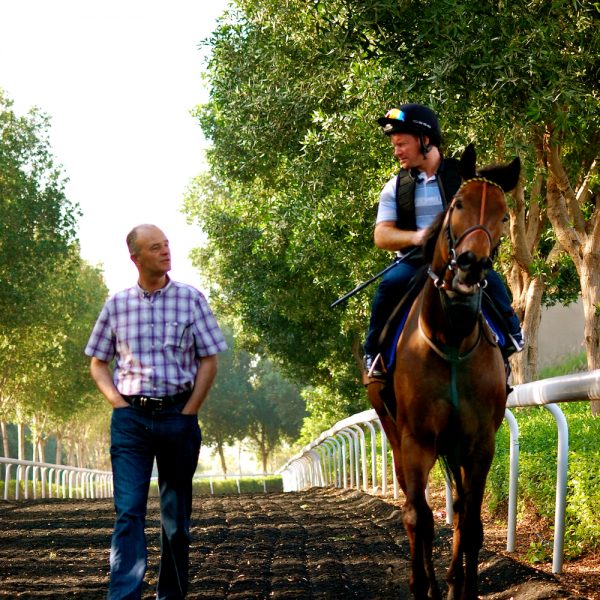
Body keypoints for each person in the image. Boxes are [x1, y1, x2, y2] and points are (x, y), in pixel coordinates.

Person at [85, 224, 227, 599]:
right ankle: (124, 595)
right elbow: (98, 363)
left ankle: (171, 596)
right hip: (131, 420)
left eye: (166, 245)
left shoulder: (191, 299)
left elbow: (209, 360)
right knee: (128, 512)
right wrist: (118, 403)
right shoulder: (117, 305)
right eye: (155, 247)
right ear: (136, 257)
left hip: (178, 415)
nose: (165, 252)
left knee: (175, 520)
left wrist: (190, 411)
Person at [364, 103, 523, 378]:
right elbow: (382, 235)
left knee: (491, 281)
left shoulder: (464, 179)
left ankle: (511, 334)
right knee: (390, 284)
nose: (397, 151)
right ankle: (375, 353)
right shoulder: (394, 188)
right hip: (415, 262)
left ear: (425, 140)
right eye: (395, 145)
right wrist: (418, 237)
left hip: (459, 260)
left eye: (402, 143)